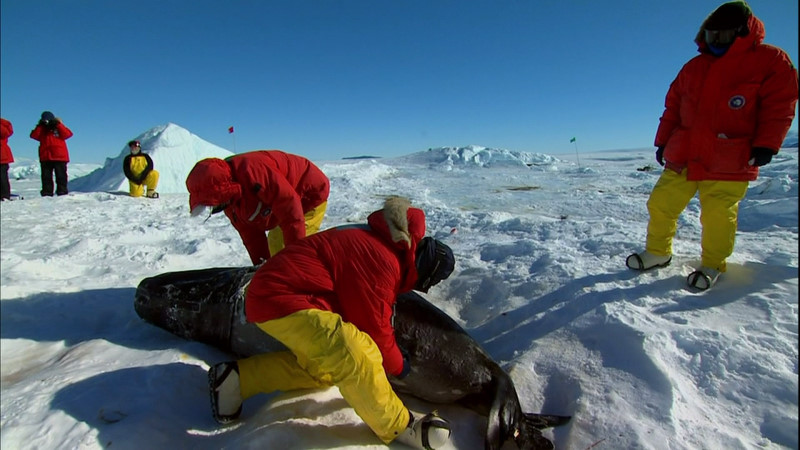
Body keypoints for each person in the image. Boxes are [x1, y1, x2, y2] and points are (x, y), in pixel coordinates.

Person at [207, 197, 456, 449]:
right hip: (280, 296)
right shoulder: (382, 259)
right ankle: (401, 426)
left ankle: (236, 381)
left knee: (323, 370)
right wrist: (399, 365)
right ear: (425, 271)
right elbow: (374, 330)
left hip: (289, 294)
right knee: (353, 351)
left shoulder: (382, 240)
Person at [626, 1, 798, 290]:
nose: (716, 43)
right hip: (683, 153)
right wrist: (663, 142)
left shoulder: (771, 61)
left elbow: (780, 106)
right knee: (661, 204)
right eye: (711, 36)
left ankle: (713, 264)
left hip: (730, 157)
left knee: (718, 215)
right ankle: (658, 252)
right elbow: (673, 107)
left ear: (742, 33)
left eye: (723, 36)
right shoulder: (693, 67)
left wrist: (767, 144)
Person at [185, 150, 330, 264]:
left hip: (309, 193)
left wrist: (295, 262)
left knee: (287, 251)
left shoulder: (254, 171)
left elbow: (291, 211)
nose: (214, 206)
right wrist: (261, 269)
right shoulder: (228, 199)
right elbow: (251, 235)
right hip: (285, 203)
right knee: (275, 250)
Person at [30, 111, 73, 197]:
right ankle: (47, 193)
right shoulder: (42, 129)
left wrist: (58, 124)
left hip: (59, 156)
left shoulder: (58, 127)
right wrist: (40, 126)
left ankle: (62, 192)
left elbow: (68, 134)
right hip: (46, 156)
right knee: (46, 177)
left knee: (61, 176)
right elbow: (34, 135)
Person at [1, 117, 14, 201]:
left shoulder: (3, 125)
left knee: (2, 177)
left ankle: (5, 195)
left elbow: (5, 133)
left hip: (2, 157)